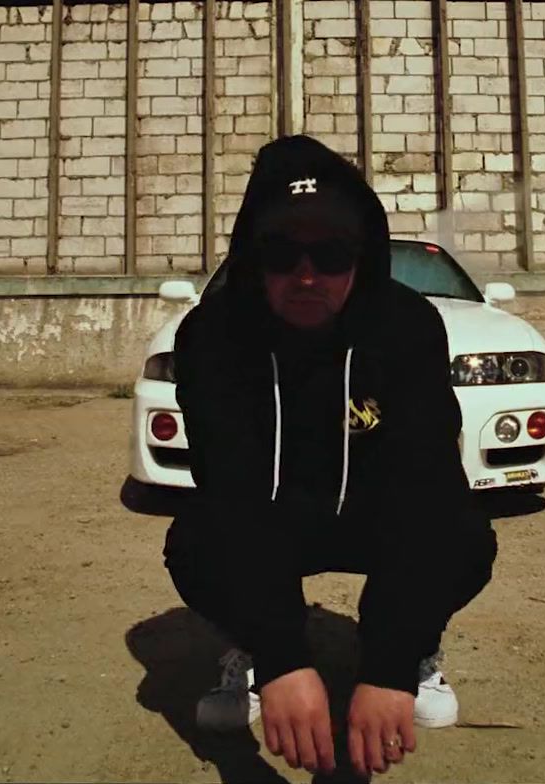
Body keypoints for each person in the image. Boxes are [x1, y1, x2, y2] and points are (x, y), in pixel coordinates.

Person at [163, 135, 498, 778]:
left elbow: (427, 491)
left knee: (463, 533)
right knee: (195, 541)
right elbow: (230, 498)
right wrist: (283, 657)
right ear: (252, 258)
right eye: (281, 253)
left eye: (333, 254)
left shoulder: (408, 327)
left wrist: (391, 665)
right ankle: (250, 650)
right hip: (273, 517)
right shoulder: (212, 336)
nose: (307, 276)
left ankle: (419, 647)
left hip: (377, 517)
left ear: (363, 258)